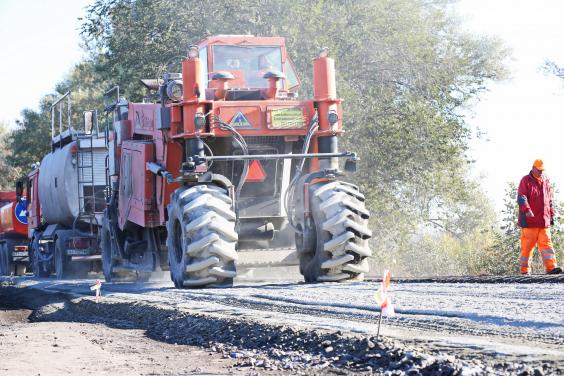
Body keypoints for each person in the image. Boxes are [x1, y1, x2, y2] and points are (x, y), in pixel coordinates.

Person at [517, 159, 562, 275]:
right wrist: (527, 210)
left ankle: (551, 268)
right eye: (539, 170)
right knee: (527, 247)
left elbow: (549, 200)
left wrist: (551, 215)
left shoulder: (545, 181)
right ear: (533, 168)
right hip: (530, 221)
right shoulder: (525, 180)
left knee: (547, 246)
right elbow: (521, 197)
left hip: (543, 221)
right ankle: (524, 271)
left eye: (542, 170)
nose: (541, 172)